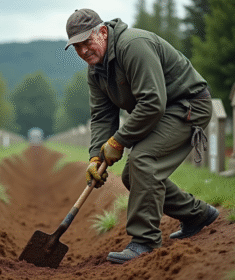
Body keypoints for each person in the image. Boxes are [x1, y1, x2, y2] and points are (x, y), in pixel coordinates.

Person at [64, 9, 219, 264]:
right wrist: (95, 157)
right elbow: (103, 116)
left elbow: (152, 102)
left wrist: (117, 141)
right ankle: (197, 215)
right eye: (77, 47)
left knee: (142, 161)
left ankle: (145, 241)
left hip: (188, 105)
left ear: (102, 32)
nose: (83, 51)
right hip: (163, 109)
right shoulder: (96, 71)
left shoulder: (133, 46)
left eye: (86, 42)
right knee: (131, 175)